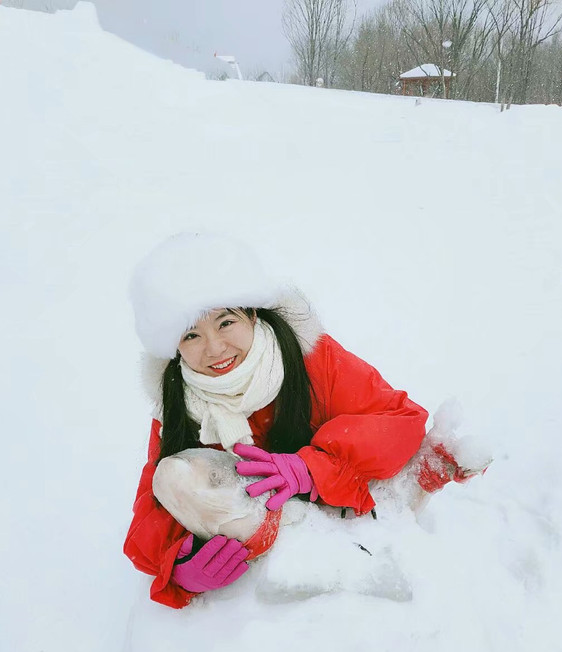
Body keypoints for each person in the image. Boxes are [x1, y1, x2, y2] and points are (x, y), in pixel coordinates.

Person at [124, 232, 462, 609]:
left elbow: (401, 421)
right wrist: (178, 566)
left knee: (377, 455)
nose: (215, 348)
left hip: (338, 492)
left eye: (225, 322)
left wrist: (310, 469)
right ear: (174, 348)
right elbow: (148, 518)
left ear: (253, 314)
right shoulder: (178, 402)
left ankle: (407, 492)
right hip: (261, 520)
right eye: (191, 335)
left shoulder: (310, 357)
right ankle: (294, 544)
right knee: (172, 475)